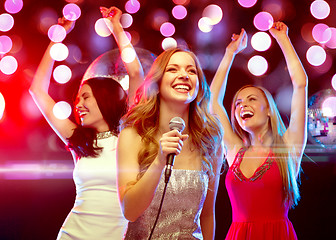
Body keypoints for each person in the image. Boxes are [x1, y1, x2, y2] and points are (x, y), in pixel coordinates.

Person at [29, 6, 144, 240]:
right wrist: (57, 38)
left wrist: (116, 27)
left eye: (86, 97)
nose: (78, 104)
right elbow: (37, 91)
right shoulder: (79, 140)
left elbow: (135, 73)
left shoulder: (128, 133)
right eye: (77, 98)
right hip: (73, 234)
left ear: (105, 99)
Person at [210, 22, 308, 239]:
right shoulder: (235, 151)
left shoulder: (288, 148)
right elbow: (213, 101)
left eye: (252, 99)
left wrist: (283, 39)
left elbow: (300, 84)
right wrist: (229, 53)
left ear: (270, 111)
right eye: (237, 103)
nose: (243, 105)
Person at [117, 47, 224, 239]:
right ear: (156, 83)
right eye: (173, 69)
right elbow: (130, 211)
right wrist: (159, 162)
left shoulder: (210, 139)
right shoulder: (132, 135)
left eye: (191, 71)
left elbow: (208, 215)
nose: (184, 75)